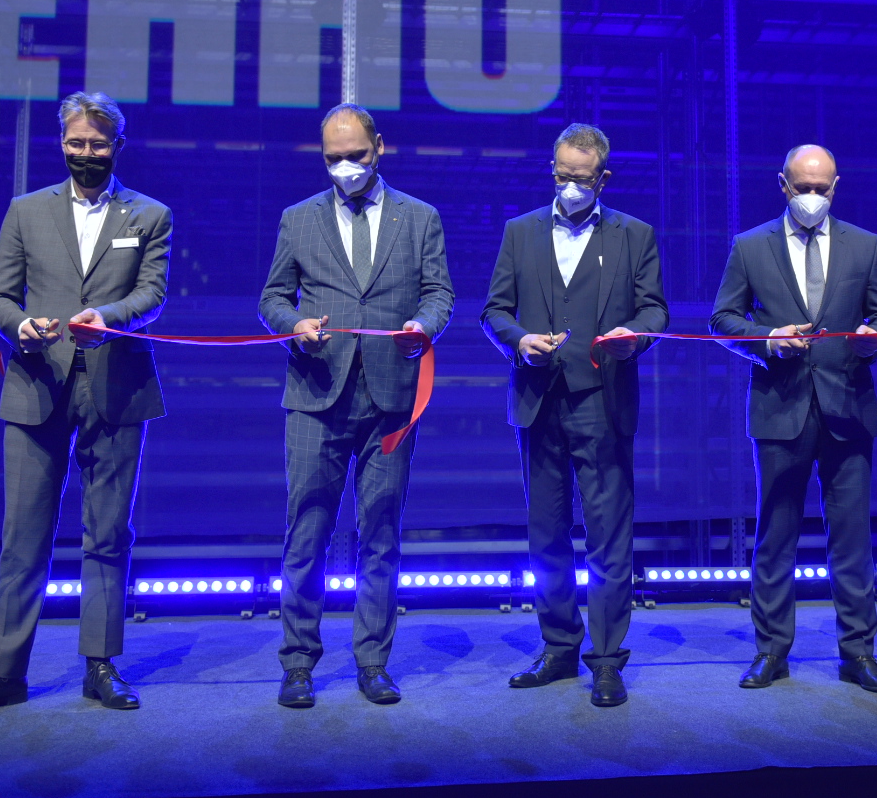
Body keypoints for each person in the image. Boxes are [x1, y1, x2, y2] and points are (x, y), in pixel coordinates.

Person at [0, 92, 171, 719]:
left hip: (117, 387)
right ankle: (3, 673)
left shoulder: (150, 214)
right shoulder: (26, 210)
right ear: (61, 143)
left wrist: (109, 317)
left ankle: (101, 665)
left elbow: (152, 294)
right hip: (37, 384)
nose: (85, 153)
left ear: (118, 146)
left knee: (108, 534)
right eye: (76, 143)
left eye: (97, 144)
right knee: (23, 537)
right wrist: (21, 327)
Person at [258, 105, 454, 708]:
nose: (345, 167)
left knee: (381, 535)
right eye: (333, 158)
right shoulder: (298, 218)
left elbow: (439, 293)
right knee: (306, 533)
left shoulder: (419, 217)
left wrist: (423, 325)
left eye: (356, 155)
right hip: (316, 395)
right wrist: (294, 326)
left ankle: (373, 662)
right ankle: (298, 663)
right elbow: (272, 298)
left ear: (379, 148)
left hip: (390, 397)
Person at [480, 123, 668, 707]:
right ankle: (559, 648)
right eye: (562, 176)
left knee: (608, 537)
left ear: (603, 179)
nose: (570, 186)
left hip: (604, 402)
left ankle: (606, 660)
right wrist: (519, 340)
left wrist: (634, 338)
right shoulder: (520, 232)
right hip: (538, 402)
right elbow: (494, 310)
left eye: (582, 179)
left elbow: (655, 311)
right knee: (547, 533)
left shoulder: (635, 235)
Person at [709, 144, 877, 694]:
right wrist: (767, 339)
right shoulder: (750, 245)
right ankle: (771, 651)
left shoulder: (865, 244)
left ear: (835, 186)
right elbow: (723, 319)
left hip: (848, 408)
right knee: (776, 536)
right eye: (803, 188)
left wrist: (876, 339)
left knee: (853, 539)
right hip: (780, 406)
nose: (813, 197)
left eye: (822, 188)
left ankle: (858, 653)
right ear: (783, 185)